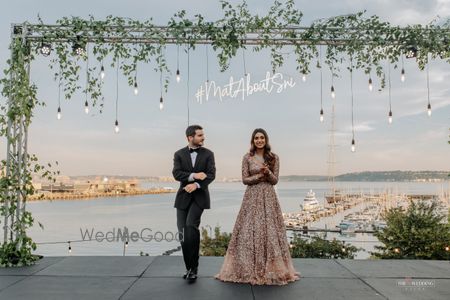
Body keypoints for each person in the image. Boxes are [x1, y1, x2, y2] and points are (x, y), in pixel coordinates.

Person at [215, 128, 300, 285]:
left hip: (268, 197)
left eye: (262, 138)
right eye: (256, 138)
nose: (259, 140)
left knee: (269, 231)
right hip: (252, 197)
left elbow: (275, 181)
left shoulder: (274, 157)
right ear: (253, 140)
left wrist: (268, 173)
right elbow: (245, 179)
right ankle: (246, 268)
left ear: (266, 140)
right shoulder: (247, 157)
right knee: (248, 230)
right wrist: (260, 176)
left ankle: (271, 269)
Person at [172, 124, 216, 283]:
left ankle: (194, 267)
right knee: (183, 234)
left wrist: (196, 185)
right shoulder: (179, 154)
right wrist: (194, 176)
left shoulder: (209, 154)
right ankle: (188, 267)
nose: (203, 138)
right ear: (190, 137)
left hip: (200, 197)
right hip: (183, 198)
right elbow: (176, 174)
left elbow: (211, 175)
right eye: (199, 135)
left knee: (191, 226)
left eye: (203, 135)